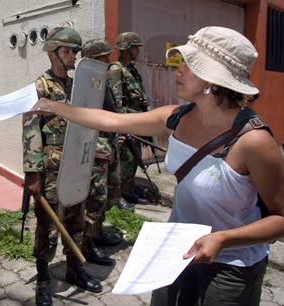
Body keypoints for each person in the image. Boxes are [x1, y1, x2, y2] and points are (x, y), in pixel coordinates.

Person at [31, 26, 284, 305]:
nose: (177, 70)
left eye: (188, 65)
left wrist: (223, 240)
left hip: (231, 266)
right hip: (177, 251)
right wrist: (52, 107)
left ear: (214, 78)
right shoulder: (176, 117)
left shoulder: (254, 141)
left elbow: (280, 219)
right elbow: (108, 120)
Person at [22, 27, 102, 306]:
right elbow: (31, 131)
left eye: (75, 52)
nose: (73, 56)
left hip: (77, 166)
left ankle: (73, 268)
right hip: (51, 171)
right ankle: (43, 277)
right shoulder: (39, 87)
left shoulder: (77, 86)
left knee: (76, 220)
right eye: (68, 51)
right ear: (53, 52)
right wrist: (33, 173)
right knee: (48, 227)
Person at [79, 38, 127, 266]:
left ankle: (97, 233)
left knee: (108, 194)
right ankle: (86, 245)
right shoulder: (85, 82)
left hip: (108, 145)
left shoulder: (102, 79)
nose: (109, 60)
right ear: (93, 59)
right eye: (104, 57)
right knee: (94, 199)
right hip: (96, 150)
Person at [108, 32, 149, 205]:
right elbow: (115, 101)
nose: (137, 50)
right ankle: (117, 197)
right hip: (126, 122)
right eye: (134, 47)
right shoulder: (116, 70)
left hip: (136, 122)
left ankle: (128, 191)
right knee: (122, 162)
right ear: (125, 48)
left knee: (133, 160)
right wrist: (119, 127)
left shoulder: (132, 70)